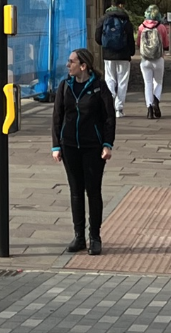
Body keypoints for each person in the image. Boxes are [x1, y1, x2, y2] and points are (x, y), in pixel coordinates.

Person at [52, 48, 115, 256]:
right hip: (70, 146)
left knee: (93, 191)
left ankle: (95, 237)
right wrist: (56, 146)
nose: (68, 65)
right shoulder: (65, 86)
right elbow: (57, 117)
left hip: (93, 148)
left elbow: (109, 117)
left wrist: (107, 144)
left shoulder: (98, 86)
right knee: (76, 192)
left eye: (71, 62)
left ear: (83, 66)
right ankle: (79, 236)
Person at [94, 0, 135, 118]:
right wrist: (131, 52)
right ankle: (119, 109)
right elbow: (130, 40)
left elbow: (97, 37)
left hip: (108, 55)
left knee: (110, 79)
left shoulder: (103, 18)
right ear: (121, 5)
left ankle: (108, 105)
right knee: (122, 82)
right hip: (123, 55)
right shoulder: (125, 19)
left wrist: (106, 46)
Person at [137, 5, 169, 118]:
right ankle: (156, 99)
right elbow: (165, 44)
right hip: (158, 58)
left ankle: (149, 108)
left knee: (148, 83)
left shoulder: (142, 27)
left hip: (145, 59)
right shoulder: (161, 27)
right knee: (158, 82)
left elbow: (138, 43)